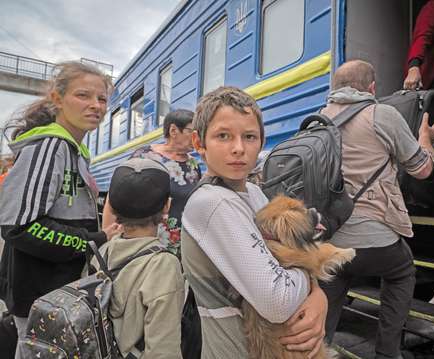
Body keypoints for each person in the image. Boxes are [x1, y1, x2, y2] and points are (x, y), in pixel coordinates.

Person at [181, 86, 328, 358]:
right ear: (199, 142)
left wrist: (319, 295)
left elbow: (288, 258)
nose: (238, 148)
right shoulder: (213, 202)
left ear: (261, 142)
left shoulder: (254, 193)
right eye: (223, 136)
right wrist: (311, 284)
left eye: (249, 136)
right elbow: (278, 302)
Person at [320, 60, 434, 359]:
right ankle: (387, 353)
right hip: (375, 241)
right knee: (402, 270)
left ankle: (317, 347)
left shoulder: (318, 121)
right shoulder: (382, 115)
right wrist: (426, 140)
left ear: (334, 89)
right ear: (372, 88)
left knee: (334, 278)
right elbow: (423, 170)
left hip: (329, 239)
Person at [0, 61, 122, 359]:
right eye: (83, 95)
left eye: (102, 99)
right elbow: (18, 226)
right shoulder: (50, 147)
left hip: (58, 295)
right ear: (57, 98)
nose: (95, 105)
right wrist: (93, 239)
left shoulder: (73, 150)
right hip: (40, 297)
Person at [90, 157, 184, 358]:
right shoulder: (163, 264)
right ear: (167, 206)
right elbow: (163, 349)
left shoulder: (102, 252)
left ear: (112, 208)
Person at [103, 109, 200, 258]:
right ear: (173, 130)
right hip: (144, 244)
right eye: (191, 131)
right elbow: (115, 197)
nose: (196, 137)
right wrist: (108, 238)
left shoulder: (193, 165)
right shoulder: (144, 155)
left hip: (180, 246)